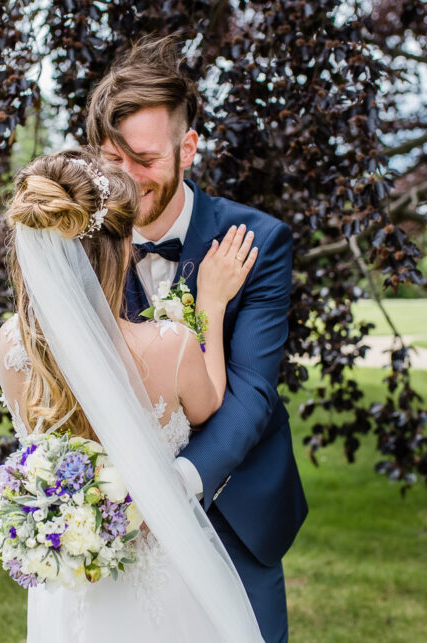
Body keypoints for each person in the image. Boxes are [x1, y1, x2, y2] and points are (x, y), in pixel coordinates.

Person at [86, 35, 309, 642]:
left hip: (235, 506)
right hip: (122, 514)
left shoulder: (257, 239)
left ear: (188, 148)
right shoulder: (81, 244)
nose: (125, 179)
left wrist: (179, 484)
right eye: (110, 159)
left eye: (145, 159)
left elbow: (252, 393)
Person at [0, 148, 264, 642]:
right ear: (121, 250)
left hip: (65, 581)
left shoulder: (12, 344)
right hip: (158, 577)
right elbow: (210, 405)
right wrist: (211, 304)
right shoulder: (171, 346)